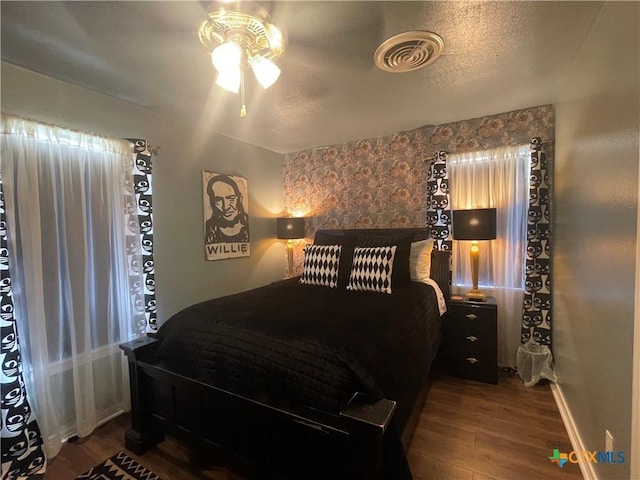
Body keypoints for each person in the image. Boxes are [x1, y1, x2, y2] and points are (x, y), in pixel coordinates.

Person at [204, 174, 249, 244]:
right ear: (212, 202)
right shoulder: (209, 227)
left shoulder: (247, 223)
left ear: (239, 199)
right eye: (218, 200)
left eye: (231, 198)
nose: (226, 207)